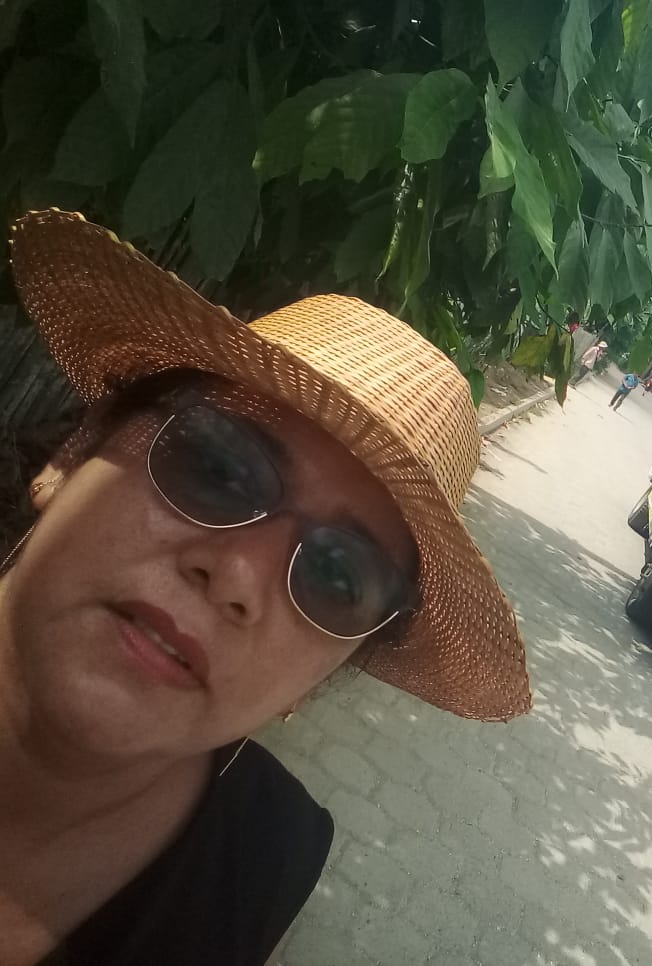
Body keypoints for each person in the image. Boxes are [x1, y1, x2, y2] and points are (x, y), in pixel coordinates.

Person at [0, 210, 531, 965]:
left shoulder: (266, 860)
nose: (239, 577)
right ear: (74, 452)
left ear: (314, 683)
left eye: (338, 577)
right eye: (216, 466)